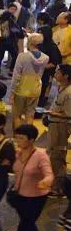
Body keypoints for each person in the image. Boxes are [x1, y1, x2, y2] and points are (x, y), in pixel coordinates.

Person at [4, 123, 54, 231]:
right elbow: (15, 169)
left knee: (24, 227)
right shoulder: (18, 153)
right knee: (28, 223)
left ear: (31, 140)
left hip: (36, 198)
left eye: (21, 138)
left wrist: (46, 181)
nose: (18, 141)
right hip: (19, 196)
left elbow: (49, 174)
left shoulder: (41, 155)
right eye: (17, 138)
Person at [11, 32, 49, 128]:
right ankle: (28, 134)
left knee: (17, 115)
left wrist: (12, 91)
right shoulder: (46, 58)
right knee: (30, 115)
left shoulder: (22, 56)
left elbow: (16, 75)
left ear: (29, 42)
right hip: (36, 89)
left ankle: (18, 135)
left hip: (21, 88)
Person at [46, 64, 71, 196]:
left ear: (65, 76)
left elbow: (68, 114)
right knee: (52, 155)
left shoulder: (69, 93)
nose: (55, 73)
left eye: (58, 72)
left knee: (57, 157)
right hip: (54, 125)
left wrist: (52, 113)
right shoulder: (61, 87)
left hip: (61, 127)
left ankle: (59, 188)